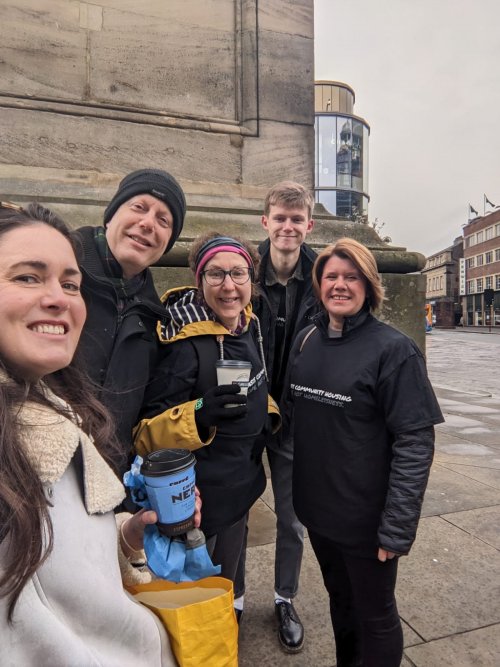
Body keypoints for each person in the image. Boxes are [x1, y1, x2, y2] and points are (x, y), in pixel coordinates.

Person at [0, 201, 200, 665]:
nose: (59, 297)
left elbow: (66, 554)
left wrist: (125, 533)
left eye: (70, 284)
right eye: (28, 277)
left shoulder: (54, 402)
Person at [284, 238, 444, 667]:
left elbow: (415, 442)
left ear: (369, 285)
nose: (340, 285)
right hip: (318, 513)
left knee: (375, 617)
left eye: (351, 277)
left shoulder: (393, 350)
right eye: (331, 276)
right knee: (341, 605)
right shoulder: (306, 341)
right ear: (318, 285)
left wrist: (396, 527)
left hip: (367, 521)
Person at [134, 233, 280, 620]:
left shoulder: (249, 326)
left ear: (252, 279)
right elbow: (144, 434)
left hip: (243, 489)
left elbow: (256, 384)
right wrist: (198, 413)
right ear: (199, 281)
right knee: (200, 603)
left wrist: (271, 416)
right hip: (202, 505)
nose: (229, 286)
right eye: (215, 274)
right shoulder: (183, 343)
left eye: (238, 273)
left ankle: (232, 619)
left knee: (230, 586)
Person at [242, 181, 317, 652]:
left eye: (297, 219)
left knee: (292, 520)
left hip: (296, 418)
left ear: (309, 225)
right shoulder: (240, 270)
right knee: (233, 515)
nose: (287, 227)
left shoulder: (325, 274)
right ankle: (232, 598)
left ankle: (284, 598)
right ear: (265, 221)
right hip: (246, 415)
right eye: (280, 218)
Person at [72, 168, 186, 475]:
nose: (148, 223)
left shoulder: (155, 318)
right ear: (110, 215)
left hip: (106, 486)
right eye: (138, 207)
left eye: (164, 221)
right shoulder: (59, 282)